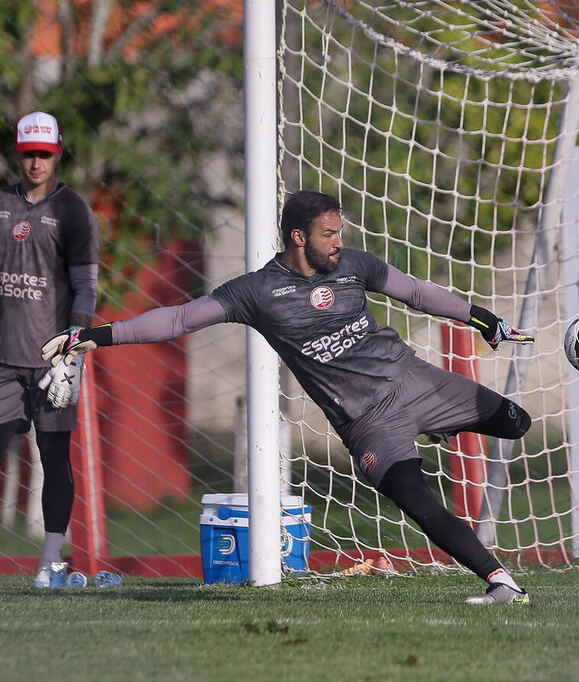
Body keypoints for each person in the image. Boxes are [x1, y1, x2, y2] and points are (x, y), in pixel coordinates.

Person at [42, 189, 535, 604]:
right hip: (368, 424)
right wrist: (97, 336)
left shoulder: (354, 265)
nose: (339, 242)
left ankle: (442, 426)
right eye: (329, 234)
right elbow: (177, 319)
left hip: (417, 382)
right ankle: (500, 581)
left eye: (340, 232)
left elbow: (417, 293)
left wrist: (480, 317)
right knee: (420, 504)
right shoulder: (256, 292)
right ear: (298, 237)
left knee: (517, 422)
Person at [0, 111, 100, 587]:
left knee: (54, 455)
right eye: (26, 154)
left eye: (43, 153)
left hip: (51, 360)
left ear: (57, 152)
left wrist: (72, 348)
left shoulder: (73, 210)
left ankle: (50, 564)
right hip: (2, 360)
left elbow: (86, 287)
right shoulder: (0, 203)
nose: (35, 162)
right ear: (17, 154)